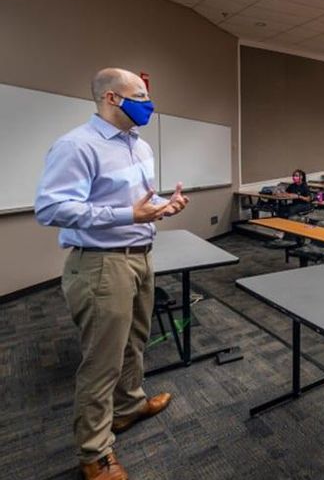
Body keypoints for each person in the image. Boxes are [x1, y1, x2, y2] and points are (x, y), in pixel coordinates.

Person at [34, 68, 188, 480]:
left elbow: (138, 200)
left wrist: (162, 204)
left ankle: (129, 406)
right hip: (101, 263)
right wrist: (127, 213)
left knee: (135, 342)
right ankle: (95, 454)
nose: (149, 103)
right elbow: (50, 208)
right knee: (102, 361)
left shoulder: (138, 147)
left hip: (140, 256)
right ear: (111, 99)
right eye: (139, 94)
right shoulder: (76, 146)